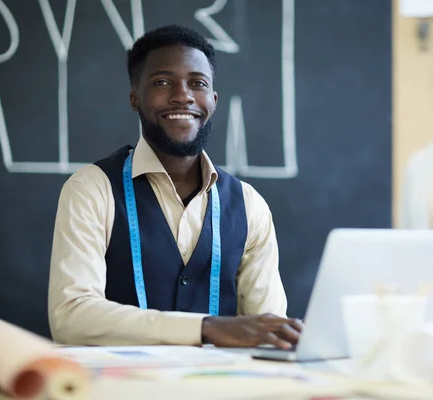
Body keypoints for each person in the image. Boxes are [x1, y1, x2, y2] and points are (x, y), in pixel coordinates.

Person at [47, 25, 302, 349]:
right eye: (162, 82)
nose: (183, 95)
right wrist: (205, 328)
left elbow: (267, 327)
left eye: (198, 83)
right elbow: (70, 317)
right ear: (135, 98)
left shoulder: (249, 205)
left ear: (213, 99)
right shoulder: (92, 189)